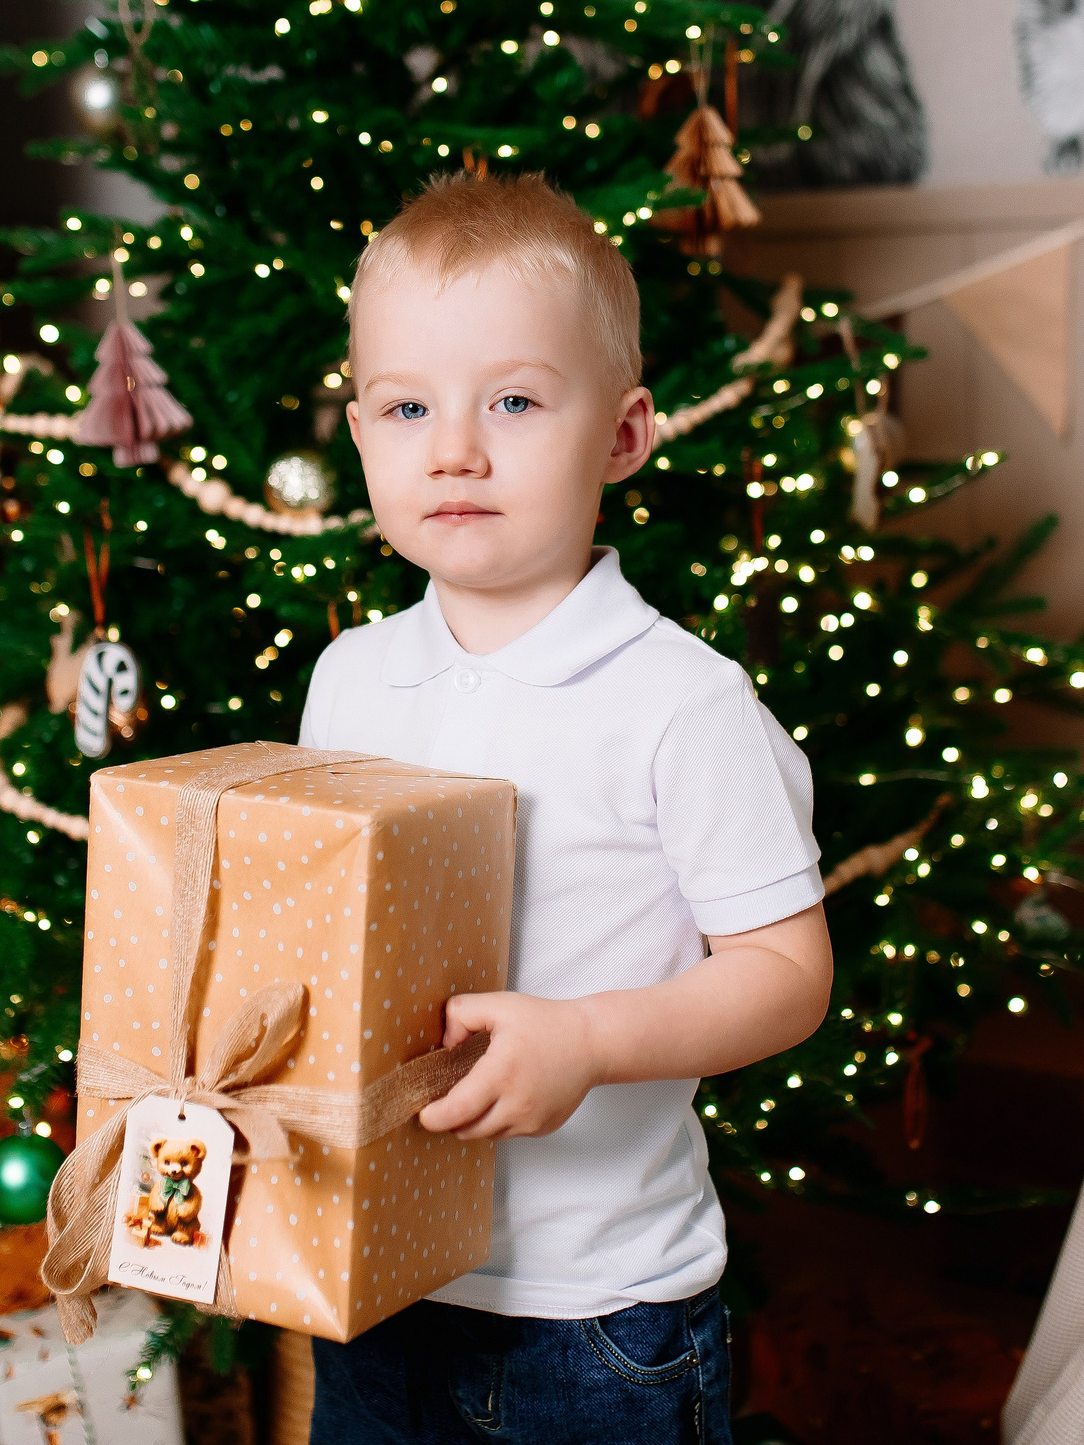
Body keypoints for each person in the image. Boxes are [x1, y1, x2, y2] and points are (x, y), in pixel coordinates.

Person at [299, 172, 834, 1444]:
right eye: (408, 406)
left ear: (624, 435)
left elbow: (785, 974)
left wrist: (586, 1041)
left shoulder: (679, 703)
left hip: (593, 1316)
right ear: (363, 434)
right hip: (374, 1284)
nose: (456, 449)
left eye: (517, 401)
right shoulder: (349, 678)